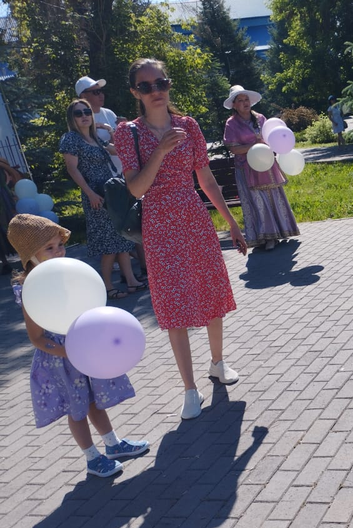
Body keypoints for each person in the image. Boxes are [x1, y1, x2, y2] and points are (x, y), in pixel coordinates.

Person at [114, 58, 247, 420]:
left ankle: (217, 362)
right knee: (173, 306)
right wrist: (160, 150)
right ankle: (190, 388)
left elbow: (206, 179)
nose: (155, 91)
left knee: (211, 292)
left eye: (161, 83)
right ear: (135, 92)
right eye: (146, 86)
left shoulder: (188, 125)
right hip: (159, 224)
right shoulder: (128, 133)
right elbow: (136, 188)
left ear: (168, 85)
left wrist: (231, 223)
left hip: (193, 217)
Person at [6, 213, 149, 477]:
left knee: (94, 401)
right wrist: (69, 352)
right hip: (61, 358)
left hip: (84, 349)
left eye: (59, 244)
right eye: (49, 248)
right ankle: (92, 458)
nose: (59, 251)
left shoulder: (69, 276)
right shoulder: (31, 290)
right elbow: (36, 338)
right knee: (77, 409)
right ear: (31, 256)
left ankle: (113, 445)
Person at [59, 98, 147, 300]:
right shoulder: (71, 139)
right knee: (108, 244)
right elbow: (72, 169)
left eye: (87, 112)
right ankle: (106, 287)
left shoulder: (95, 138)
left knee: (120, 236)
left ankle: (131, 280)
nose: (84, 116)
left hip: (110, 192)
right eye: (78, 113)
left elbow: (119, 151)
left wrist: (110, 130)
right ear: (72, 118)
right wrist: (90, 193)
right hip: (95, 195)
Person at [76, 76, 147, 279]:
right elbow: (77, 163)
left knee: (134, 221)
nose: (101, 95)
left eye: (101, 91)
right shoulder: (81, 122)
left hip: (123, 175)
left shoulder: (108, 114)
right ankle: (125, 277)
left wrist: (115, 130)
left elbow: (120, 147)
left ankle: (143, 270)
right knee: (119, 229)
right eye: (95, 92)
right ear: (83, 96)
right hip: (102, 184)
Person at [222, 85, 300, 250]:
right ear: (234, 105)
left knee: (274, 197)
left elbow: (271, 139)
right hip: (247, 169)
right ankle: (263, 238)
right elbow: (234, 149)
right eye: (240, 100)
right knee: (257, 201)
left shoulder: (260, 118)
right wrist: (254, 145)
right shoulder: (232, 124)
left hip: (266, 165)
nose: (245, 103)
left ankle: (280, 232)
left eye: (246, 99)